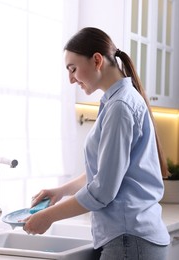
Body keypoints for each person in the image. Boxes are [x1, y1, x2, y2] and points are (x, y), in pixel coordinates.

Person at [23, 27, 170, 260]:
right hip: (133, 239)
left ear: (97, 60)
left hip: (130, 240)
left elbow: (103, 189)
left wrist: (49, 216)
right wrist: (60, 191)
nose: (71, 79)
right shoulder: (116, 102)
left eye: (73, 69)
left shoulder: (120, 106)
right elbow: (107, 172)